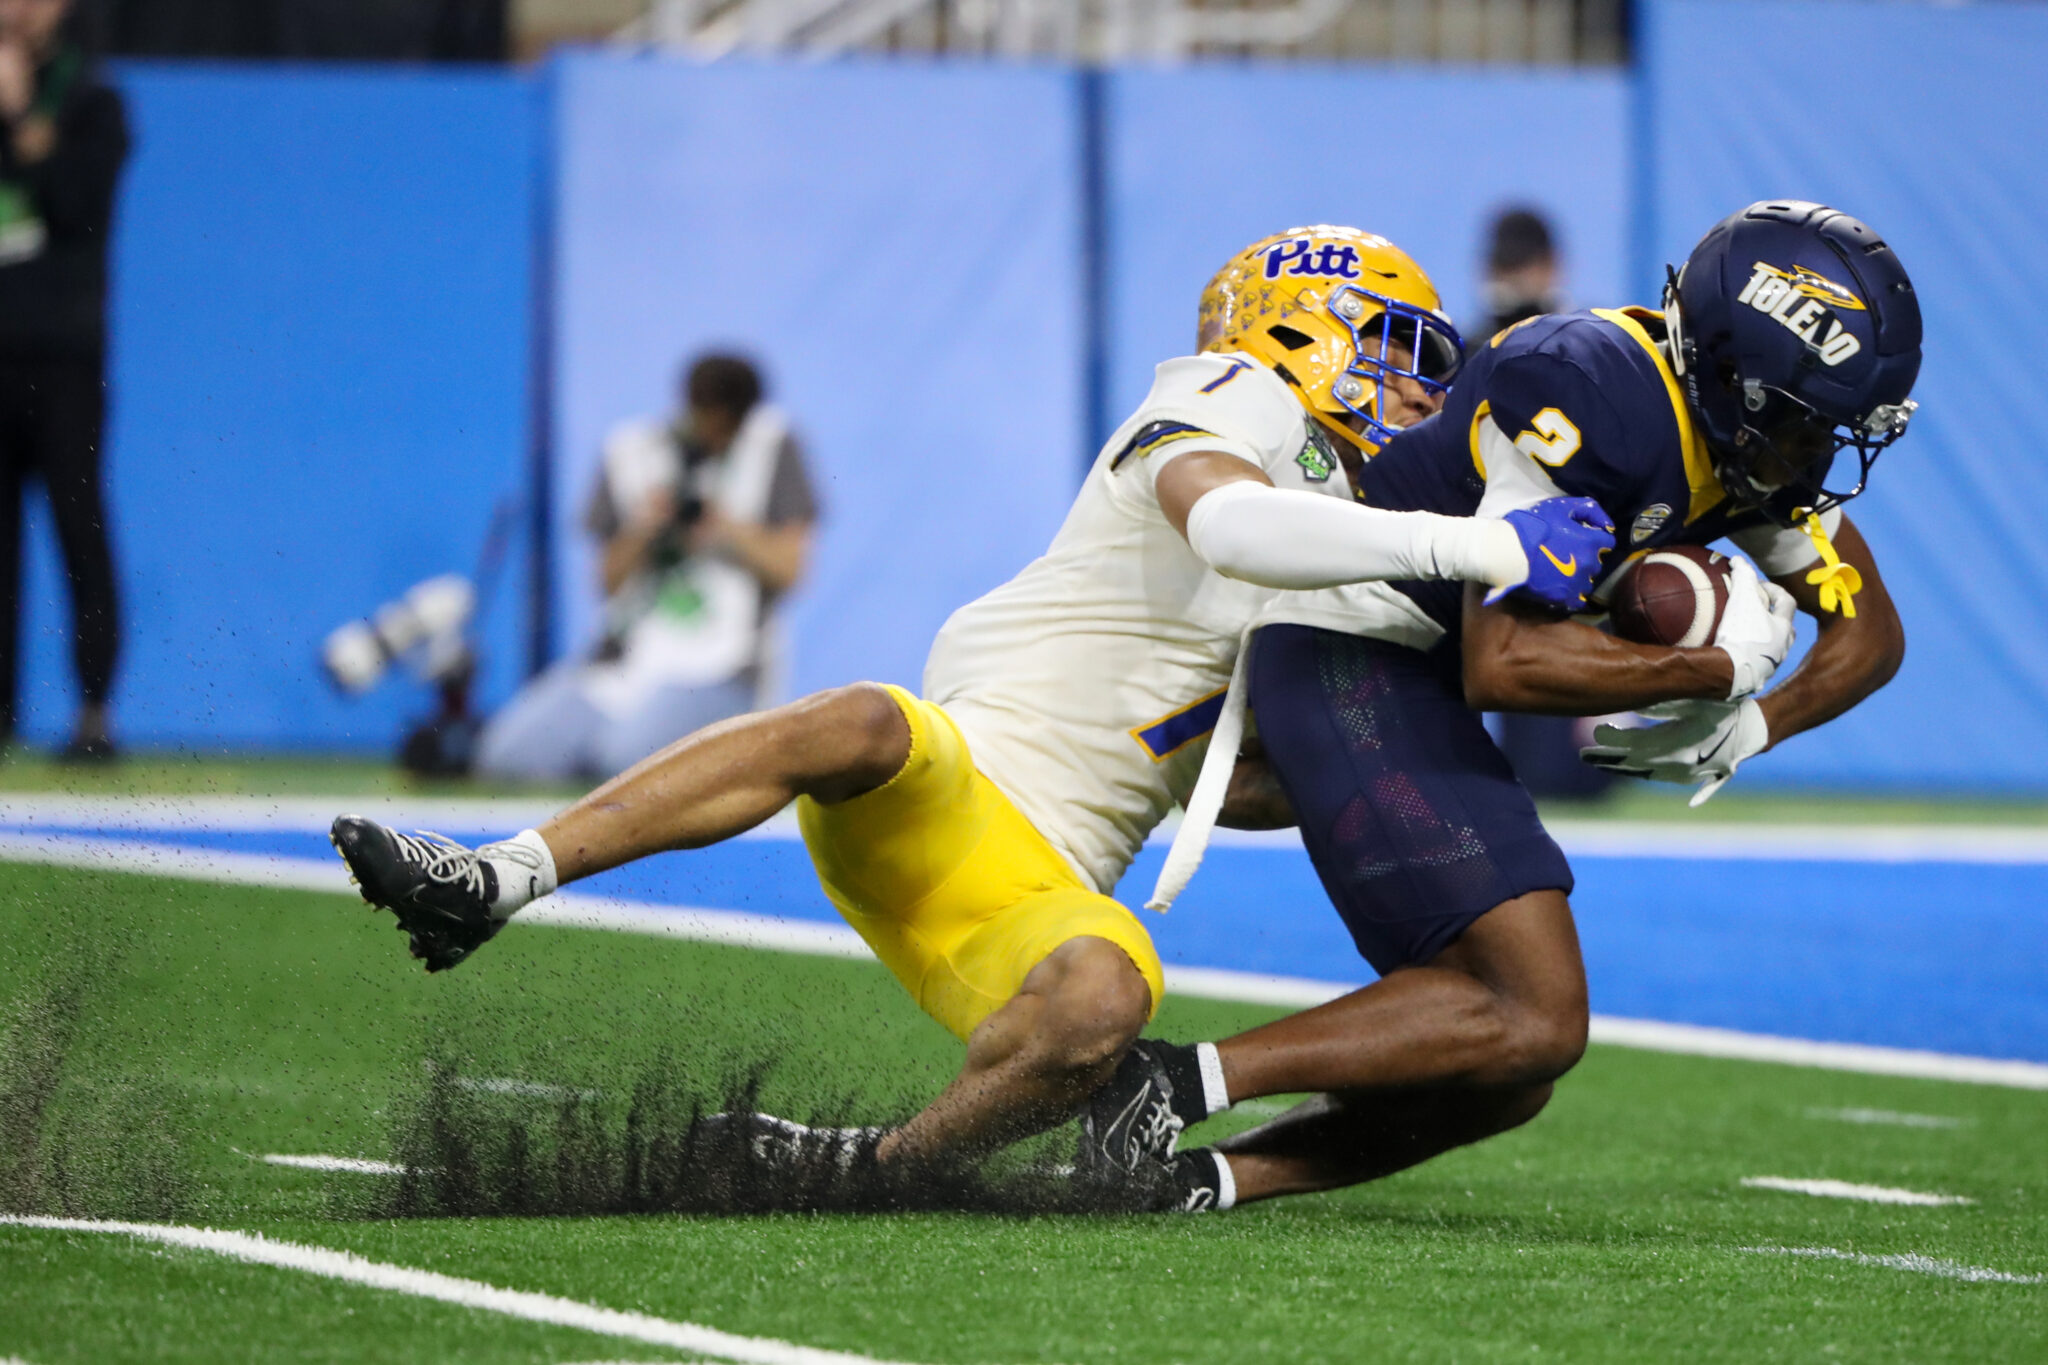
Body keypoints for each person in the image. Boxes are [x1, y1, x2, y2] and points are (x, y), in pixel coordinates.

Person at [332, 225, 1614, 1202]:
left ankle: (870, 1168)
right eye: (1394, 349)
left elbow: (1290, 778)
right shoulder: (1236, 400)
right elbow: (1230, 520)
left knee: (1103, 1011)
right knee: (864, 719)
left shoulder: (1375, 547)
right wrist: (1473, 547)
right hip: (947, 784)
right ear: (1299, 329)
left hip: (1034, 888)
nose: (1413, 393)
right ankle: (497, 875)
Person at [1083, 201, 1921, 1211]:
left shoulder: (1741, 440)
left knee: (1505, 1069)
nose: (1810, 456)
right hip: (1346, 644)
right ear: (1729, 372)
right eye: (1794, 421)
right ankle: (1163, 1085)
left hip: (1414, 671)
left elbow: (1868, 635)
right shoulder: (1589, 387)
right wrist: (1707, 674)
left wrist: (1752, 728)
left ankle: (1193, 1181)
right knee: (1534, 1014)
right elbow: (1505, 664)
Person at [475, 353, 819, 781]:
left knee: (623, 759)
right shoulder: (634, 451)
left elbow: (792, 570)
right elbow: (606, 582)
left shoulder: (774, 447)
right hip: (623, 662)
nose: (715, 434)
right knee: (506, 756)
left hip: (721, 666)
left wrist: (724, 527)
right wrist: (645, 527)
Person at [0, 0, 126, 759]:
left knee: (79, 526)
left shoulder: (92, 100)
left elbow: (79, 209)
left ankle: (94, 711)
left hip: (64, 352)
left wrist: (20, 121)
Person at [1469, 205, 1615, 799]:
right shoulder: (1479, 344)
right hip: (1490, 550)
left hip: (1571, 551)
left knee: (1567, 777)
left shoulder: (1590, 343)